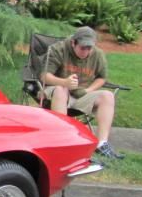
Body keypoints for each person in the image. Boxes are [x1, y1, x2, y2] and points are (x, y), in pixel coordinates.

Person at [40, 25, 123, 160]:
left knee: (108, 96)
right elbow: (44, 76)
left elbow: (102, 78)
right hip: (57, 90)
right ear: (73, 43)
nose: (86, 51)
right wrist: (64, 82)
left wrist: (88, 90)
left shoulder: (97, 54)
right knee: (61, 91)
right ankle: (63, 140)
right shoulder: (58, 49)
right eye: (83, 47)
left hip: (82, 94)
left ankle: (102, 144)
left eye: (89, 48)